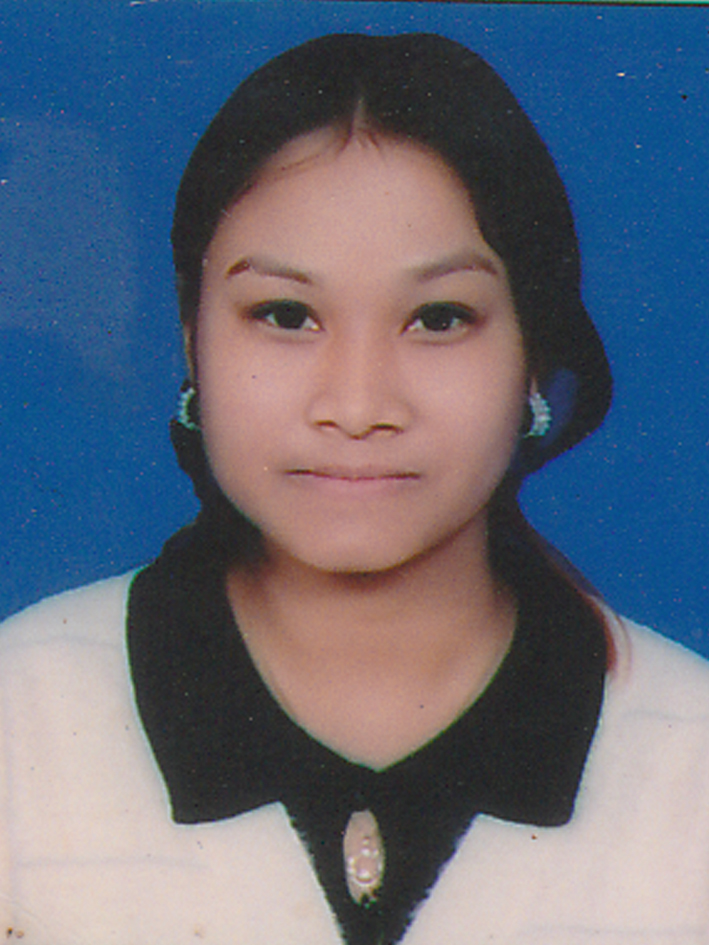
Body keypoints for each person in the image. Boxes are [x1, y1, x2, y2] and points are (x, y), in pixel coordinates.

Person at [0, 31, 708, 945]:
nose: (358, 404)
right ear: (190, 338)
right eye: (284, 314)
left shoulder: (687, 757)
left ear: (533, 356)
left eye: (439, 318)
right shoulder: (23, 715)